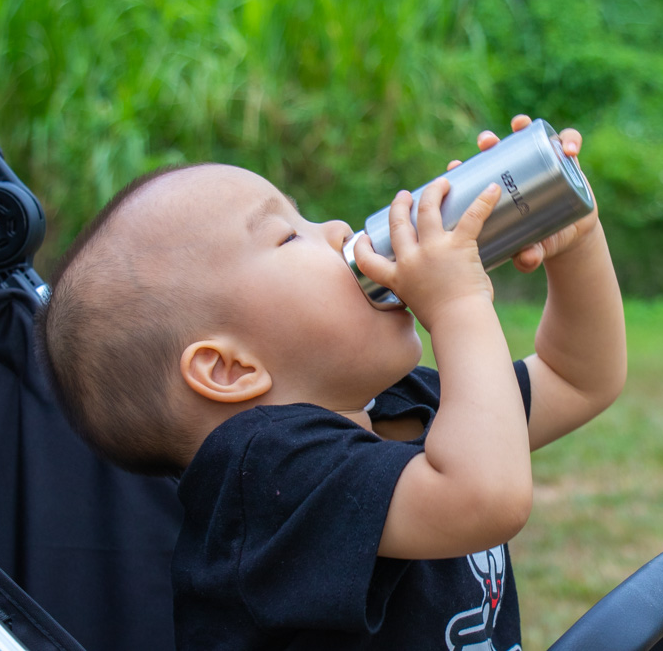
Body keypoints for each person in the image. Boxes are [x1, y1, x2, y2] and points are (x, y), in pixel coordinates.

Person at [37, 115, 628, 651]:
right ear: (230, 370)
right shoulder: (263, 479)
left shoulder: (397, 406)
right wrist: (457, 305)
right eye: (287, 236)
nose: (338, 228)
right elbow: (484, 498)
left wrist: (573, 237)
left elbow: (578, 378)